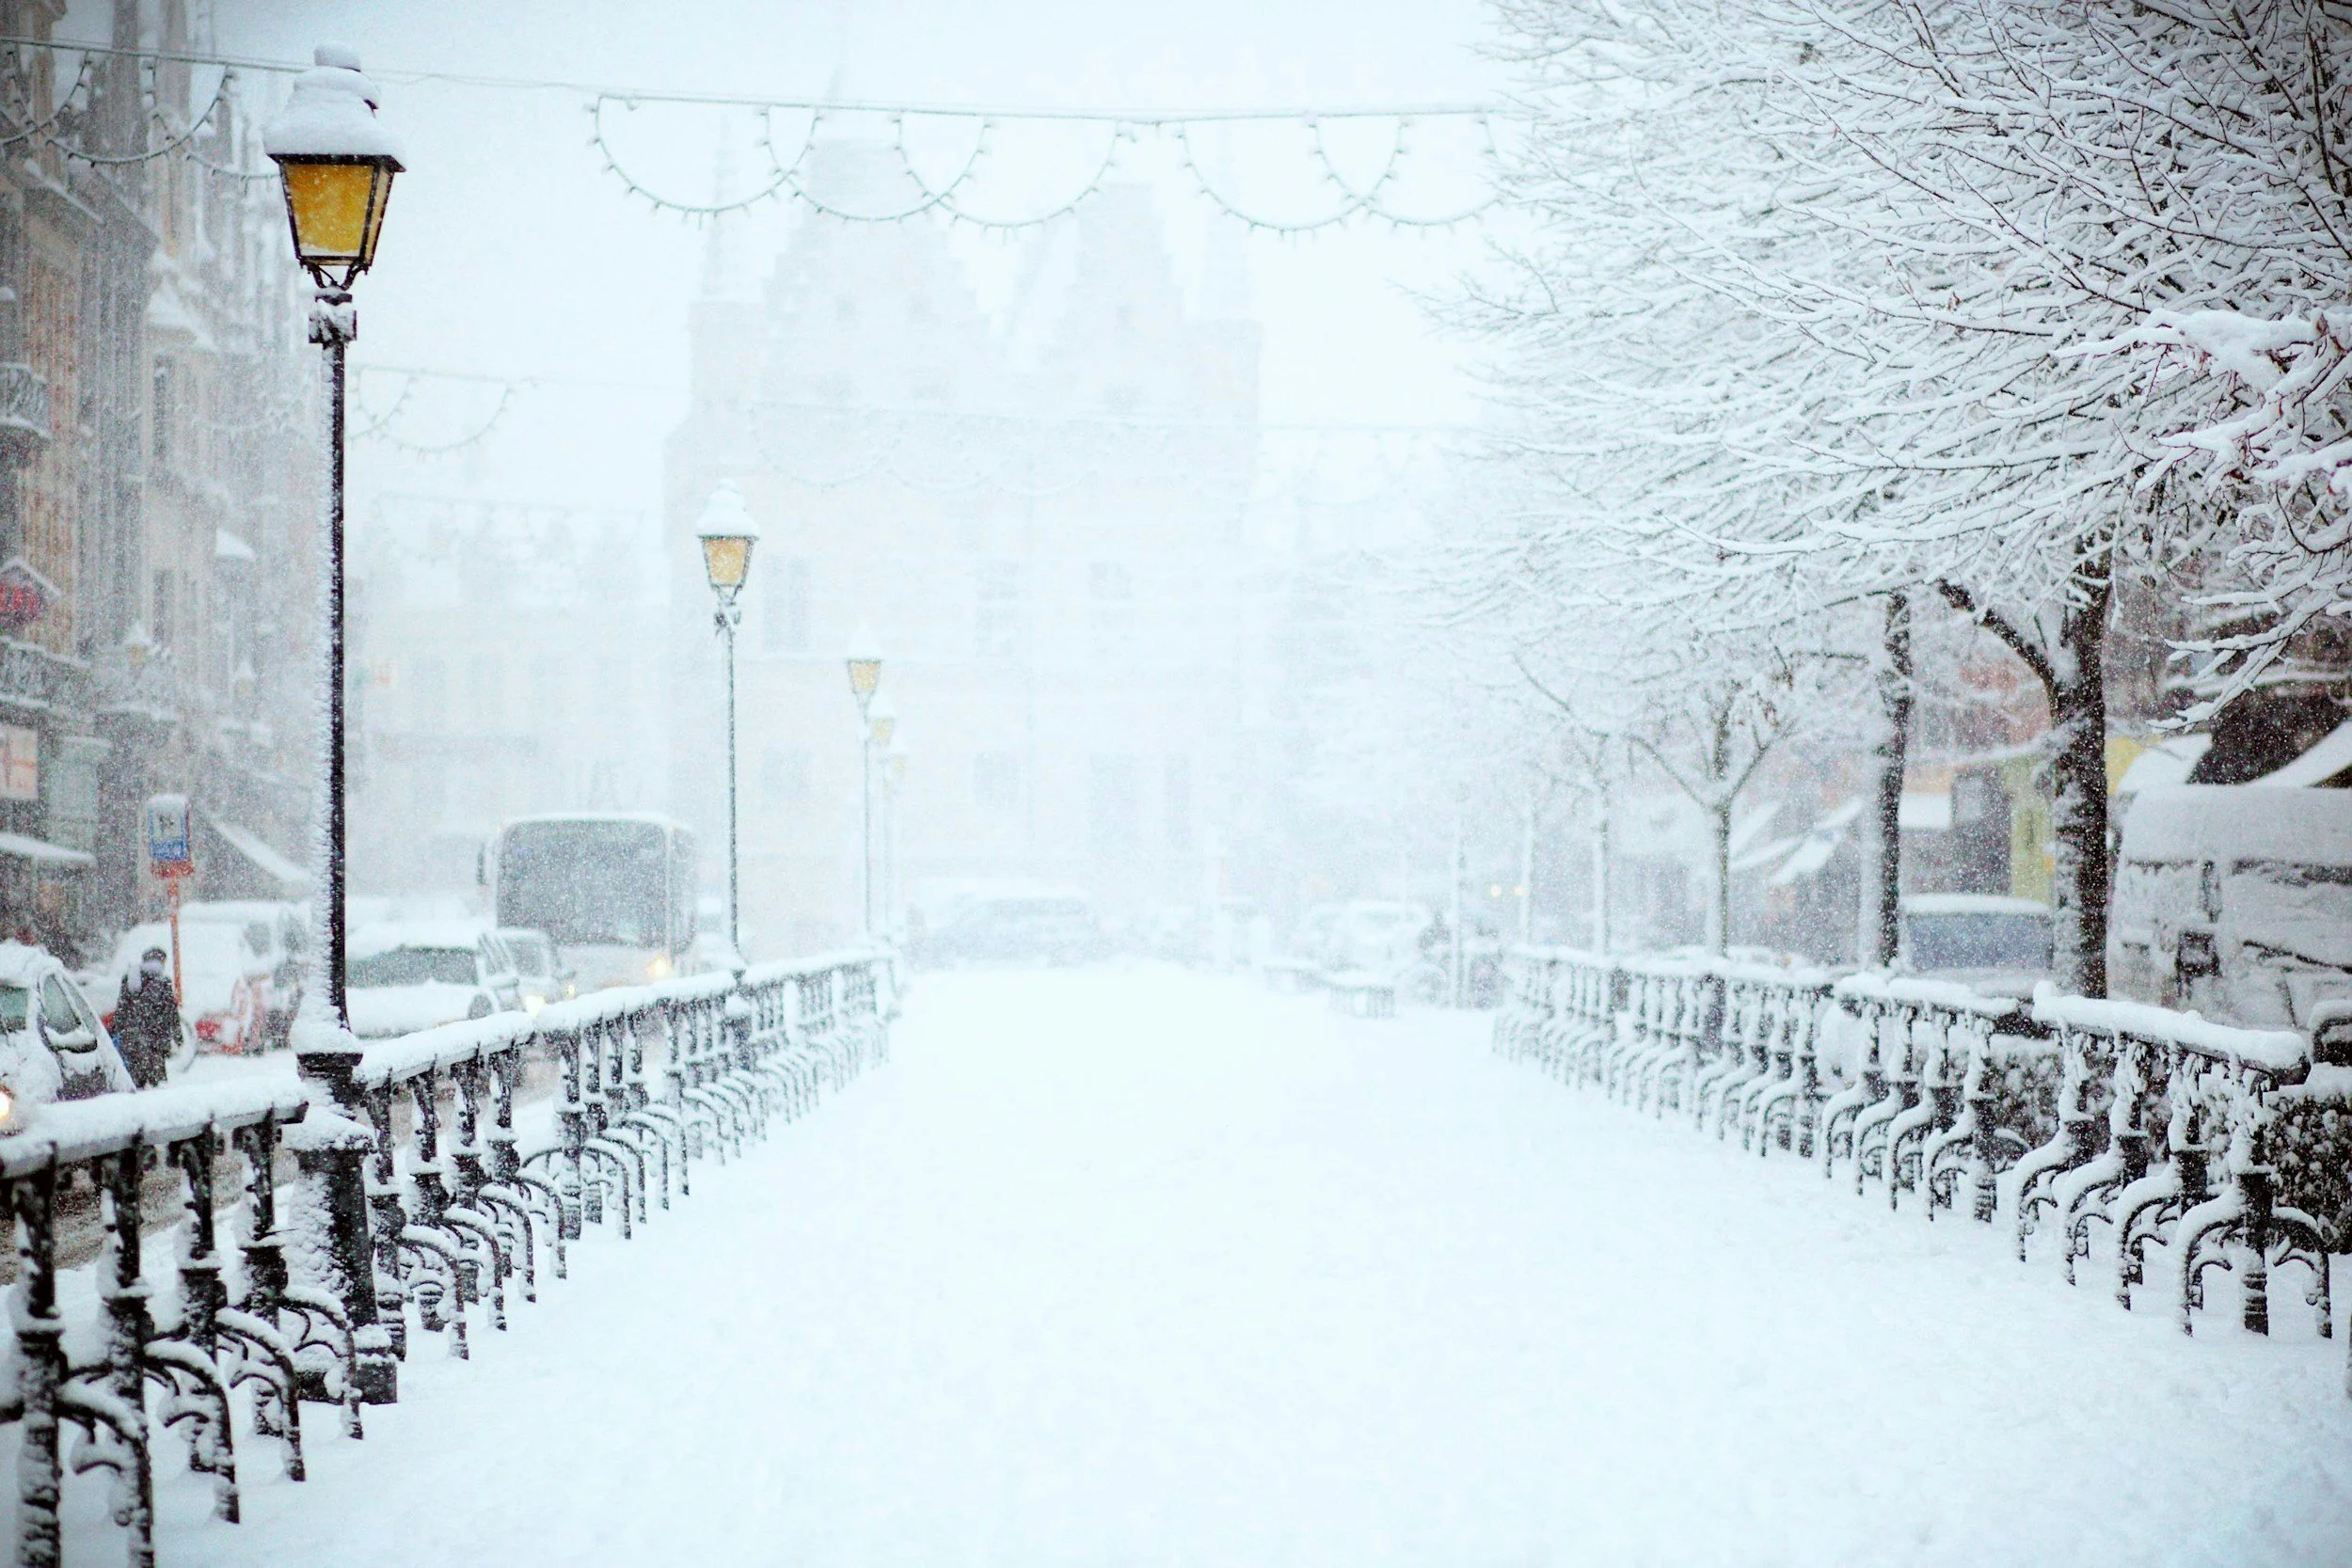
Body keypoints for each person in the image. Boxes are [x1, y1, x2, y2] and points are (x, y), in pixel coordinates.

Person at [113, 946, 178, 1089]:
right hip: (157, 1040)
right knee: (158, 1082)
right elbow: (171, 1012)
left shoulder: (130, 978)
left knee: (136, 1079)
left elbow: (122, 1007)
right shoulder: (163, 981)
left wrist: (118, 1029)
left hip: (133, 1039)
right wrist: (177, 1036)